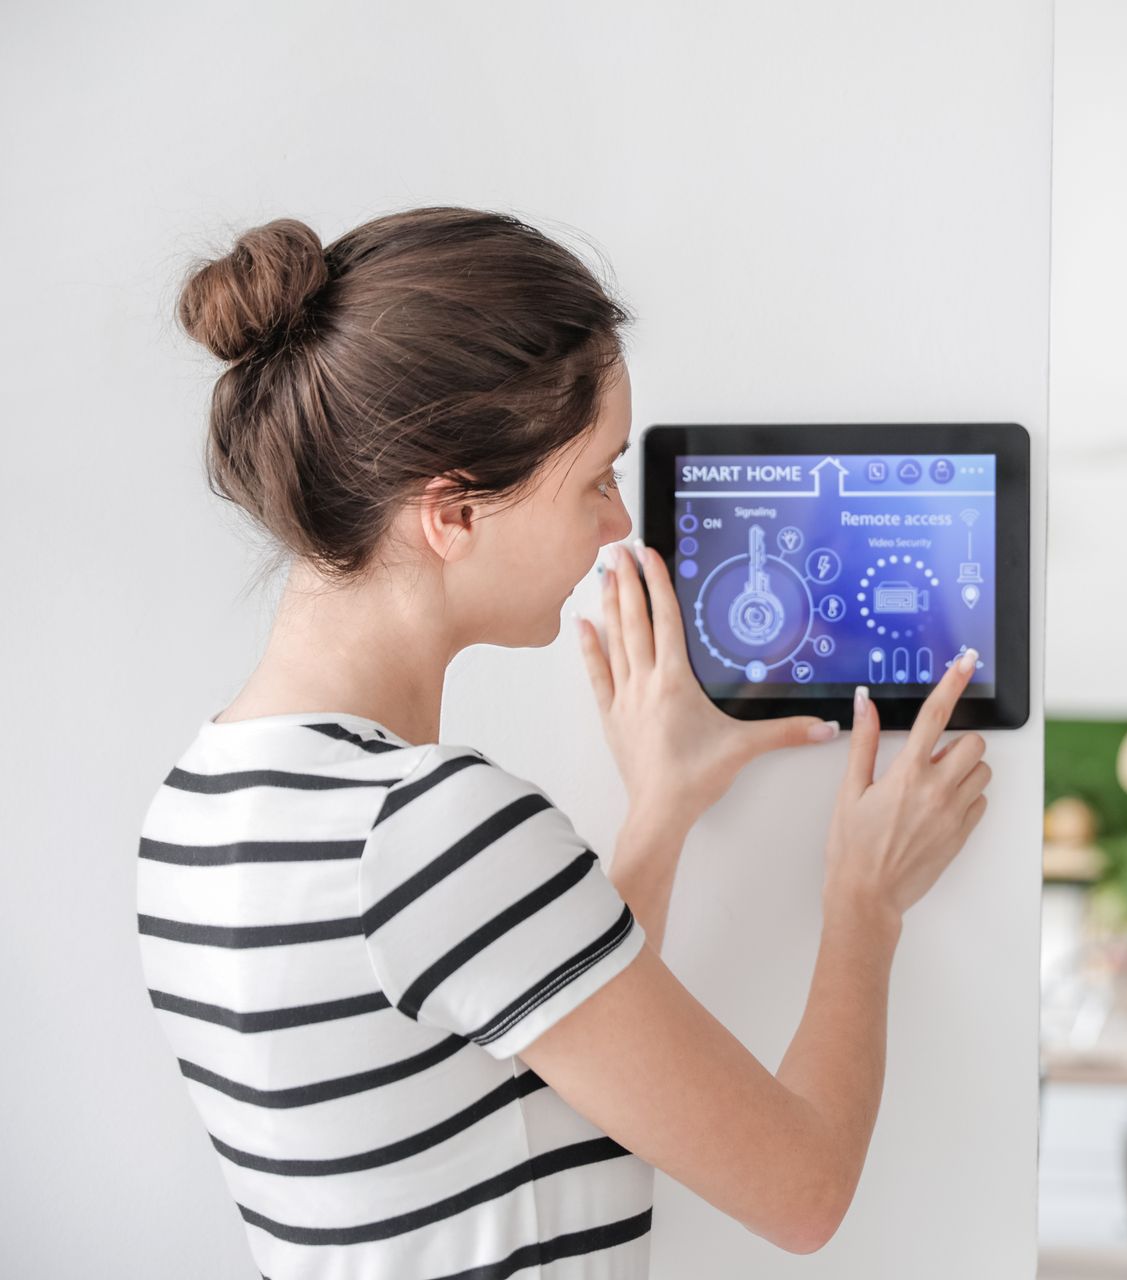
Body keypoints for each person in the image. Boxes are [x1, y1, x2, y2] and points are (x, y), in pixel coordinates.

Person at [135, 208, 992, 1279]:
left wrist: (663, 803)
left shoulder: (198, 801)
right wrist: (866, 900)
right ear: (450, 510)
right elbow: (803, 1188)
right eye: (595, 477)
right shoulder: (430, 826)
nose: (618, 525)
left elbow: (523, 1050)